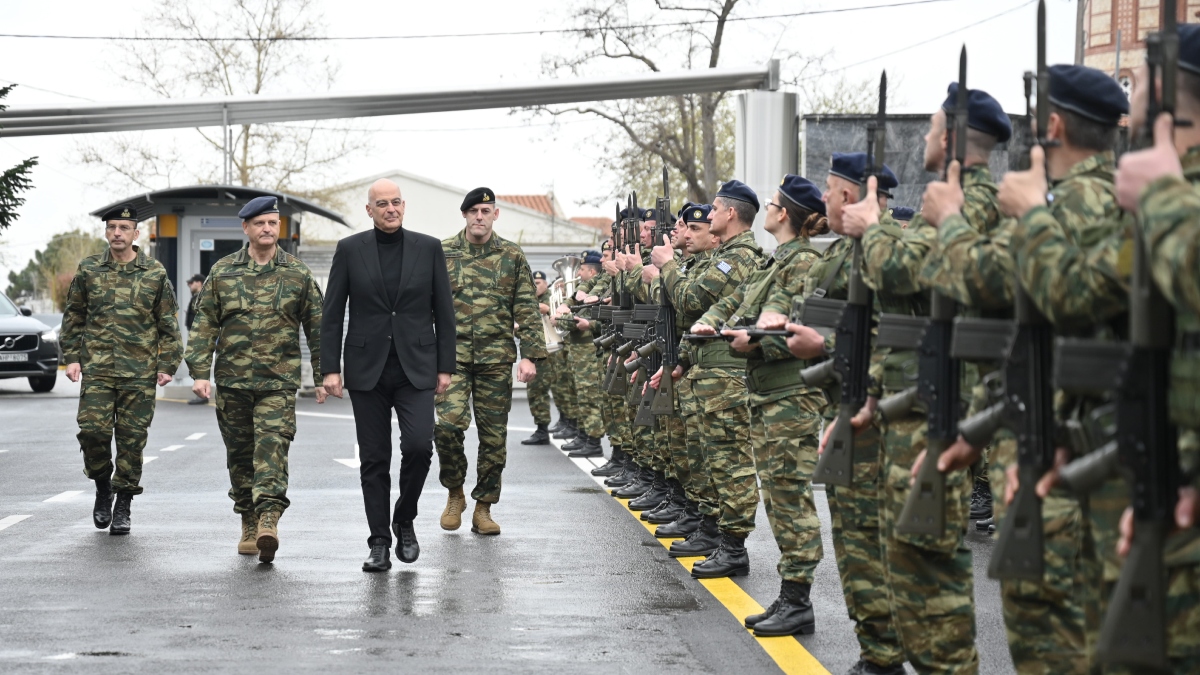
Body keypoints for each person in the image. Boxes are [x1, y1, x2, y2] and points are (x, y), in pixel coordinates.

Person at [692, 175, 830, 637]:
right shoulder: (780, 261)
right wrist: (731, 330)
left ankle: (798, 599)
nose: (767, 209)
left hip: (791, 393)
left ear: (783, 213)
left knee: (790, 498)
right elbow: (745, 310)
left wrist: (755, 341)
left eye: (772, 203)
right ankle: (790, 597)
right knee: (778, 496)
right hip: (770, 391)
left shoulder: (806, 261)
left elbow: (807, 329)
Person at [319, 178, 455, 572]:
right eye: (382, 204)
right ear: (369, 210)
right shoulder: (349, 250)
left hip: (416, 366)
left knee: (418, 447)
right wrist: (329, 368)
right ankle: (379, 540)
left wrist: (445, 366)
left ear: (404, 206)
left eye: (396, 202)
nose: (390, 209)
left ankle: (404, 518)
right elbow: (332, 313)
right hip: (366, 370)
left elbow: (443, 311)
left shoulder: (428, 248)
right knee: (375, 459)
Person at [185, 196, 326, 564]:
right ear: (245, 227)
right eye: (260, 223)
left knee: (272, 449)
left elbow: (318, 326)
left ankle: (268, 520)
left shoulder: (297, 274)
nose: (267, 229)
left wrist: (326, 374)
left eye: (272, 223)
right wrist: (199, 373)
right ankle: (247, 519)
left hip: (277, 383)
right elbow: (204, 326)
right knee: (240, 456)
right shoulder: (223, 272)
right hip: (232, 383)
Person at [657, 180, 763, 576]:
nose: (709, 213)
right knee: (709, 458)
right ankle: (715, 529)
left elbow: (688, 301)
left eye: (715, 208)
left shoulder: (736, 259)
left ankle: (733, 546)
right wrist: (683, 360)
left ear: (730, 214)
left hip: (727, 374)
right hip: (709, 370)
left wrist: (666, 264)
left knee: (729, 461)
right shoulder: (729, 256)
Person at [61, 203, 182, 536]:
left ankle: (124, 503)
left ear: (135, 234)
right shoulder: (88, 270)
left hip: (139, 373)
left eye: (123, 228)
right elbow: (74, 317)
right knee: (92, 432)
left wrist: (167, 364)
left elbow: (168, 323)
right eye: (112, 227)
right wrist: (72, 357)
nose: (117, 233)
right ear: (106, 232)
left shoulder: (154, 273)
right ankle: (103, 485)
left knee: (132, 442)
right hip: (98, 370)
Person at [436, 187, 547, 536]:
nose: (479, 217)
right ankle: (455, 492)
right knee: (448, 427)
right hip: (450, 359)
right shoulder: (442, 253)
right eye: (473, 211)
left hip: (495, 359)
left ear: (495, 214)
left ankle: (484, 506)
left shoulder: (511, 256)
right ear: (465, 215)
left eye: (486, 210)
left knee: (494, 438)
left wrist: (529, 354)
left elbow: (527, 308)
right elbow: (423, 305)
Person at [521, 270, 554, 445]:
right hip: (537, 351)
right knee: (535, 391)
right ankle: (541, 429)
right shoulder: (530, 301)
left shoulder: (552, 298)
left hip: (552, 353)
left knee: (545, 391)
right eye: (533, 283)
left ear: (546, 284)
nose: (536, 286)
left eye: (539, 282)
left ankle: (545, 429)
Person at [184, 273, 209, 405]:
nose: (189, 285)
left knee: (199, 364)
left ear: (199, 283)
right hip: (197, 336)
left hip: (201, 338)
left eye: (191, 282)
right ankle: (202, 394)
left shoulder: (202, 297)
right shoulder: (197, 297)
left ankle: (203, 395)